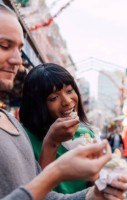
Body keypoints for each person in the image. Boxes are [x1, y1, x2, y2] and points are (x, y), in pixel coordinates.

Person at [0, 4, 127, 199]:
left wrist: (97, 192)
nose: (18, 60)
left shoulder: (11, 125)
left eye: (70, 91)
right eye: (4, 46)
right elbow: (39, 188)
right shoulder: (27, 135)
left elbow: (43, 195)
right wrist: (54, 154)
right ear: (38, 105)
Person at [19, 63, 99, 194]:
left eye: (69, 91)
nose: (67, 101)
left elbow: (95, 187)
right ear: (38, 105)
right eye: (54, 98)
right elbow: (33, 193)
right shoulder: (23, 138)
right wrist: (52, 141)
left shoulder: (85, 134)